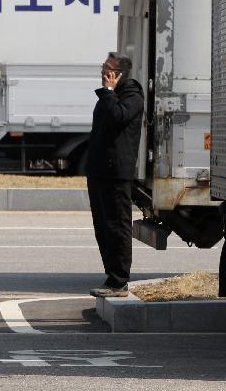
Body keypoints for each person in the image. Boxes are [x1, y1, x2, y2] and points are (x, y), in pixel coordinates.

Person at [86, 52, 144, 297]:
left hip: (116, 173)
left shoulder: (132, 95)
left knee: (117, 227)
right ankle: (111, 277)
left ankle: (120, 280)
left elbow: (118, 117)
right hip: (100, 171)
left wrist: (109, 92)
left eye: (108, 69)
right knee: (102, 227)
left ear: (120, 74)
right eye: (103, 67)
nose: (103, 72)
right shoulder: (109, 96)